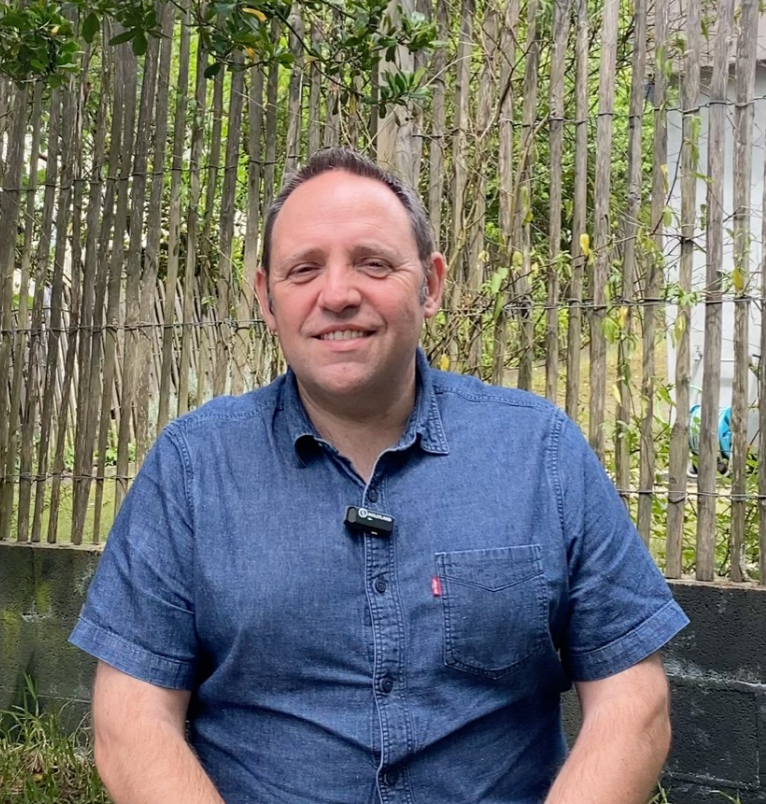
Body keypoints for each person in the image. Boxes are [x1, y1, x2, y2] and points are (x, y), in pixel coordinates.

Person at [70, 147, 688, 804]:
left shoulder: (540, 452)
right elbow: (131, 720)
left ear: (431, 285)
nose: (338, 295)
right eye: (304, 269)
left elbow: (633, 699)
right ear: (267, 299)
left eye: (373, 263)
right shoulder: (193, 468)